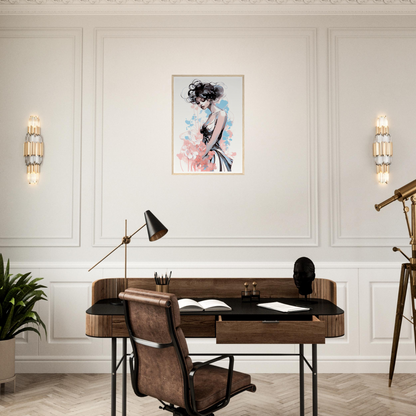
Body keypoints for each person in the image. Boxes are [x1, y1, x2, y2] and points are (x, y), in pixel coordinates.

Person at [185, 80, 233, 172]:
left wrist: (201, 156)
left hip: (214, 154)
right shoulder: (210, 116)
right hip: (206, 153)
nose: (200, 105)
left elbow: (213, 140)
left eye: (202, 101)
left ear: (209, 98)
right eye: (198, 103)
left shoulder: (221, 114)